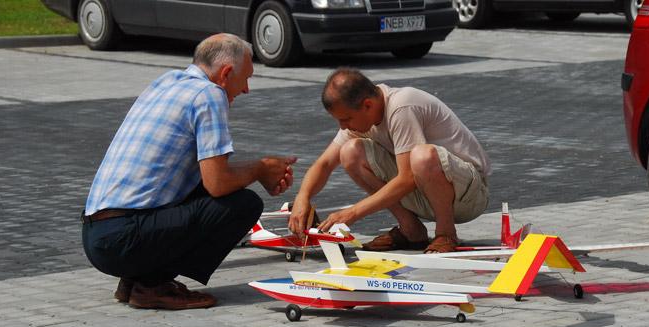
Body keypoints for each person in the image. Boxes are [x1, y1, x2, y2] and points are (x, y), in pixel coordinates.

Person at [82, 33, 295, 310]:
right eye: (246, 78)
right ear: (227, 73)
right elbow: (218, 184)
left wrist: (259, 169)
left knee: (197, 187)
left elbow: (207, 178)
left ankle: (136, 279)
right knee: (243, 204)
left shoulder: (166, 82)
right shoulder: (209, 94)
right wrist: (260, 169)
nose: (246, 90)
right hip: (122, 238)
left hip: (97, 234)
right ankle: (151, 285)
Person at [288, 68, 490, 254]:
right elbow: (324, 164)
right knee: (350, 152)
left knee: (422, 156)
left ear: (367, 105)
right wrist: (302, 197)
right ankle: (411, 230)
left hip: (468, 196)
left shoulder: (401, 105)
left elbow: (407, 179)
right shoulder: (361, 118)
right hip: (428, 191)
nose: (343, 127)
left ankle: (446, 234)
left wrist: (351, 214)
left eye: (346, 119)